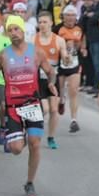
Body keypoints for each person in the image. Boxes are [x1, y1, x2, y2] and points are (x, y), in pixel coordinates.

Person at [0, 15, 57, 196]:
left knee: (35, 144)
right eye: (10, 30)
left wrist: (51, 83)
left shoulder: (37, 52)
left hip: (33, 103)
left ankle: (30, 182)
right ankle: (19, 135)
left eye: (16, 29)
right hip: (13, 106)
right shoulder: (2, 55)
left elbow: (51, 71)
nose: (14, 33)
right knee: (16, 149)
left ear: (23, 30)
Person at [34, 12, 65, 149]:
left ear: (51, 23)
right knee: (45, 109)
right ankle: (35, 130)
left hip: (53, 78)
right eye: (40, 22)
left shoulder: (58, 40)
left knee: (54, 110)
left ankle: (51, 137)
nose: (42, 25)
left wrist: (68, 58)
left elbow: (64, 57)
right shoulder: (33, 39)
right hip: (37, 78)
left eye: (45, 22)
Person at [56, 5, 86, 133]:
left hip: (75, 62)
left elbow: (83, 43)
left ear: (76, 17)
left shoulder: (80, 29)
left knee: (73, 90)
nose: (70, 18)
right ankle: (61, 100)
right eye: (67, 15)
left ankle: (74, 120)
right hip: (60, 63)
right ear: (63, 17)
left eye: (72, 15)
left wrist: (82, 48)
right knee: (60, 90)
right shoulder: (57, 29)